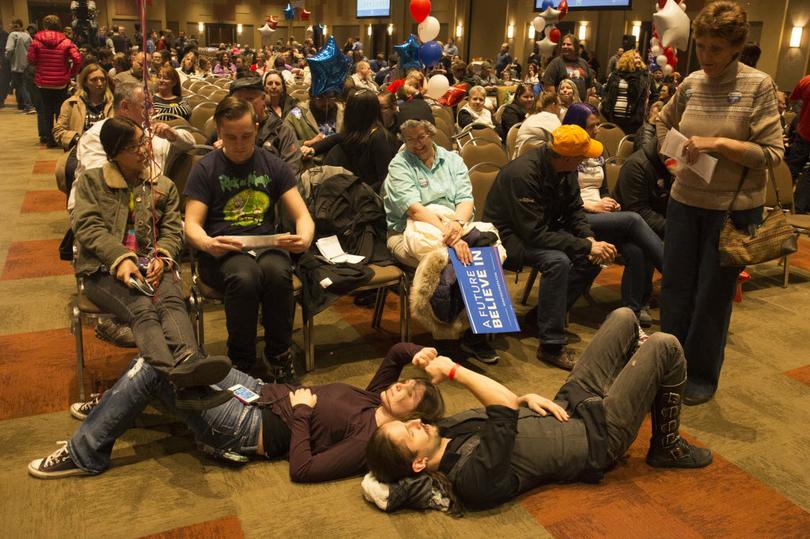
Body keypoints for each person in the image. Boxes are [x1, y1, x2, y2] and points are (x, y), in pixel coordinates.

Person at [364, 308, 712, 513]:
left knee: (623, 317)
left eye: (408, 423)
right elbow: (500, 410)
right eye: (409, 432)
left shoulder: (446, 429)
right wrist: (455, 370)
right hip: (598, 436)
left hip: (567, 404)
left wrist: (522, 397)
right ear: (418, 463)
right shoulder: (471, 480)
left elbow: (504, 407)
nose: (418, 423)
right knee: (666, 345)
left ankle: (638, 375)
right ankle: (666, 446)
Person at [28, 342, 445, 482]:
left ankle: (87, 453)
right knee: (170, 356)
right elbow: (395, 354)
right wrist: (421, 355)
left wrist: (301, 414)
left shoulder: (367, 442)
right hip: (258, 391)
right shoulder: (374, 398)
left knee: (154, 370)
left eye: (410, 392)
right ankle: (113, 408)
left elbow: (303, 470)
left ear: (411, 416)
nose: (401, 383)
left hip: (253, 426)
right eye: (407, 381)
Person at [655, 1, 784, 405]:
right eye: (702, 46)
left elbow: (773, 153)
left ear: (735, 47)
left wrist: (721, 144)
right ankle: (666, 366)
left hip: (732, 210)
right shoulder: (691, 82)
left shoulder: (757, 85)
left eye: (716, 48)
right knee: (675, 290)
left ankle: (700, 377)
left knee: (712, 297)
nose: (706, 56)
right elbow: (661, 121)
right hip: (684, 203)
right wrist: (674, 156)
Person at [69, 117, 232, 406]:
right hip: (102, 271)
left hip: (151, 266)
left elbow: (171, 229)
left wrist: (164, 255)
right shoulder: (91, 183)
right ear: (114, 151)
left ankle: (189, 363)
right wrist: (120, 259)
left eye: (144, 142)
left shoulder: (162, 186)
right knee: (142, 307)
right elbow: (89, 228)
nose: (145, 150)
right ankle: (174, 379)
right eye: (135, 146)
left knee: (171, 301)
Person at [184, 97, 315, 382]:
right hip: (222, 251)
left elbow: (303, 216)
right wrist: (207, 243)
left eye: (246, 136)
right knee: (245, 277)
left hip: (265, 245)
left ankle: (278, 354)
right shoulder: (206, 168)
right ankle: (241, 360)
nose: (240, 143)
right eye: (231, 137)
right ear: (219, 133)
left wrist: (304, 238)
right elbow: (191, 224)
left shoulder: (271, 164)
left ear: (256, 129)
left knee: (278, 273)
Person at [483, 125, 614, 370]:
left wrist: (590, 240)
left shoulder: (566, 170)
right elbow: (534, 234)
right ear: (566, 157)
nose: (587, 160)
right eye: (583, 156)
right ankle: (551, 345)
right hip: (508, 237)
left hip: (541, 230)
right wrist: (584, 245)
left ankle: (539, 317)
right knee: (558, 261)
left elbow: (575, 210)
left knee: (591, 259)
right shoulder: (523, 174)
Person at [382, 118, 500, 365]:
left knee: (486, 248)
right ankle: (446, 337)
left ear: (432, 133)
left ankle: (475, 331)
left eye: (422, 136)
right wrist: (452, 237)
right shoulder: (399, 165)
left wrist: (456, 227)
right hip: (409, 231)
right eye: (410, 139)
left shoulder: (452, 159)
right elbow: (415, 210)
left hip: (452, 223)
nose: (417, 144)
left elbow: (466, 199)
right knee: (447, 258)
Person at [563, 103, 664, 326]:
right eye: (591, 126)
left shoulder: (596, 151)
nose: (597, 130)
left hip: (599, 215)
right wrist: (590, 206)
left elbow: (603, 189)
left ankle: (631, 312)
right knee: (633, 219)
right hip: (574, 217)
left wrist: (609, 202)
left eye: (598, 125)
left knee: (637, 249)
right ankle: (674, 274)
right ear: (577, 126)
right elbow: (563, 200)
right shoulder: (565, 151)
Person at [209, 76, 302, 176]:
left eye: (249, 100)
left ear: (263, 99)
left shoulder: (282, 131)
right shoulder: (226, 130)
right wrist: (218, 156)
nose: (244, 106)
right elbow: (205, 164)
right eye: (238, 101)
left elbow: (291, 174)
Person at [315, 88, 399, 192]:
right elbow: (337, 138)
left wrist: (357, 195)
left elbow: (386, 179)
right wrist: (312, 149)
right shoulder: (359, 132)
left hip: (370, 199)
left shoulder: (379, 138)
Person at [613, 116, 672, 239]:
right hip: (631, 228)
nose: (673, 156)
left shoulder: (675, 164)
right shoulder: (636, 166)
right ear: (660, 143)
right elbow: (639, 212)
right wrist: (674, 230)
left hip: (662, 224)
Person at [28, 15, 83, 146]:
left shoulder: (36, 41)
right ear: (59, 25)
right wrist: (70, 73)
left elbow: (31, 59)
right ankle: (60, 137)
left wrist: (39, 66)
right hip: (61, 82)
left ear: (44, 26)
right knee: (61, 111)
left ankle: (49, 140)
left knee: (46, 110)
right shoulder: (66, 41)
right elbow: (77, 59)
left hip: (43, 82)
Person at [53, 63, 112, 150]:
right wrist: (77, 139)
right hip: (79, 150)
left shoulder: (114, 103)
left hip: (107, 151)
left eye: (102, 79)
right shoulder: (71, 104)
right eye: (94, 80)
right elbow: (58, 131)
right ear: (85, 83)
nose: (99, 83)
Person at [600, 50, 650, 135]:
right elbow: (606, 92)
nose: (639, 60)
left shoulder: (642, 76)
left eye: (640, 58)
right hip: (613, 117)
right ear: (628, 59)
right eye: (636, 58)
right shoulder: (615, 74)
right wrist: (605, 107)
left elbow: (640, 94)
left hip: (632, 121)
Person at [784, 74, 810, 213]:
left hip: (804, 131)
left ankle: (781, 203)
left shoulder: (806, 80)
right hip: (804, 131)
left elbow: (793, 101)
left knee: (792, 168)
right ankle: (798, 209)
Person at [542, 34, 593, 101]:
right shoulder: (556, 62)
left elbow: (589, 86)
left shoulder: (583, 63)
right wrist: (557, 102)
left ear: (576, 47)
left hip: (580, 104)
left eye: (568, 44)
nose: (565, 46)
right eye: (563, 44)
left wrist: (585, 102)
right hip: (562, 105)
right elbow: (548, 85)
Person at [514, 91, 561, 156]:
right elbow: (562, 141)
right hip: (533, 161)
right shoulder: (549, 117)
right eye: (559, 105)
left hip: (520, 160)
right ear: (553, 105)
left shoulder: (532, 116)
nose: (560, 109)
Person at [5, 17, 33, 113]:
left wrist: (7, 57)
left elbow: (9, 49)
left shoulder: (13, 35)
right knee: (26, 85)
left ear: (14, 25)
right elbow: (32, 49)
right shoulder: (27, 35)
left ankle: (28, 106)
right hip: (27, 64)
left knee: (21, 86)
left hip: (17, 64)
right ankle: (25, 105)